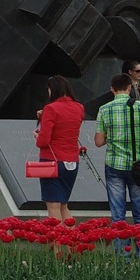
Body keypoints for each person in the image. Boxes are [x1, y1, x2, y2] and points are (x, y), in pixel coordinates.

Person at [93, 71, 140, 242]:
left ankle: (122, 259)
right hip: (139, 167)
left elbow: (99, 141)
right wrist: (138, 134)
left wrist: (113, 136)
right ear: (129, 88)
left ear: (112, 90)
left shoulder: (104, 109)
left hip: (114, 165)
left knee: (117, 216)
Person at [33, 75, 84, 222]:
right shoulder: (79, 107)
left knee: (53, 206)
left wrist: (37, 135)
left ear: (51, 89)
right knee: (63, 205)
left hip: (52, 160)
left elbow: (43, 140)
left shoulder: (51, 108)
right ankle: (71, 243)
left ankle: (58, 244)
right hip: (72, 162)